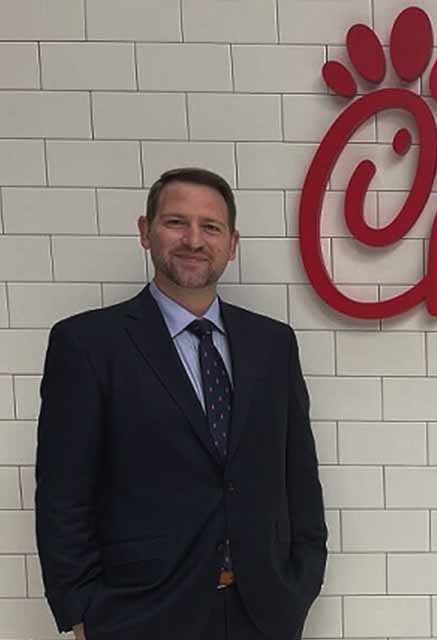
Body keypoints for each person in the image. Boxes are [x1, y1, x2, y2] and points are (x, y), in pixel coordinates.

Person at [34, 167, 328, 640]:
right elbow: (62, 493)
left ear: (231, 244)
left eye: (210, 227)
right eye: (176, 222)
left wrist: (302, 579)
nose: (194, 239)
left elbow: (299, 473)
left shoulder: (272, 344)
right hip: (139, 614)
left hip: (263, 612)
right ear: (145, 232)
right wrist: (82, 610)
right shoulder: (88, 343)